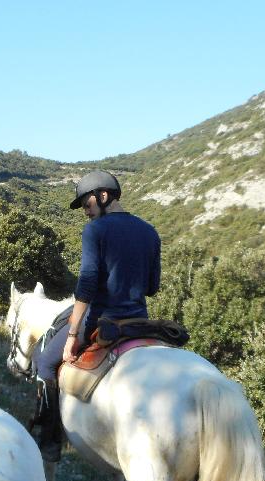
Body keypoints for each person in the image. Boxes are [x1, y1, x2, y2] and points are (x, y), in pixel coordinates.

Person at [31, 170, 161, 462]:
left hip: (102, 318)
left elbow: (87, 285)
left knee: (45, 362)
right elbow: (152, 288)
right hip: (140, 321)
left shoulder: (96, 230)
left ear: (103, 196)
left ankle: (50, 442)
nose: (86, 213)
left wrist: (74, 335)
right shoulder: (150, 231)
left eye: (87, 205)